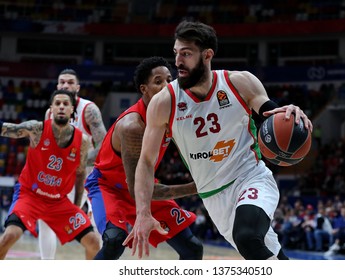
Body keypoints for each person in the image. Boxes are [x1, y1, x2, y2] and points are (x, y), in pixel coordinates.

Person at [124, 20, 313, 260]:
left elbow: (271, 113)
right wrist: (142, 212)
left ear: (207, 55)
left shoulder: (238, 82)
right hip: (213, 195)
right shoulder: (165, 102)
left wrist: (290, 112)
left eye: (186, 54)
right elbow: (146, 162)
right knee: (268, 256)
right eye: (176, 53)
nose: (178, 61)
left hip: (249, 177)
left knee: (247, 237)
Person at [85, 56, 203, 260]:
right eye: (158, 82)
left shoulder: (171, 115)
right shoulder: (132, 127)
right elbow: (137, 189)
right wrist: (199, 187)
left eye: (169, 80)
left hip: (144, 184)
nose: (167, 86)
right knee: (115, 241)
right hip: (109, 187)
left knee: (192, 248)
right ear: (143, 89)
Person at [0, 89, 100, 259]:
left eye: (66, 104)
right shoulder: (36, 129)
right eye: (58, 103)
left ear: (72, 110)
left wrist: (76, 206)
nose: (61, 107)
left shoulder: (82, 141)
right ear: (51, 109)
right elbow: (7, 129)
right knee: (9, 236)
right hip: (30, 196)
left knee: (93, 243)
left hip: (58, 202)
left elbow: (80, 174)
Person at [38, 68, 107, 259]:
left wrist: (78, 161)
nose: (65, 85)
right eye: (61, 82)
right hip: (63, 176)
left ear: (77, 87)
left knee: (97, 223)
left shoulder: (89, 109)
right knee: (45, 218)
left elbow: (103, 144)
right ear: (57, 86)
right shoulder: (50, 113)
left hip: (90, 173)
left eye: (70, 82)